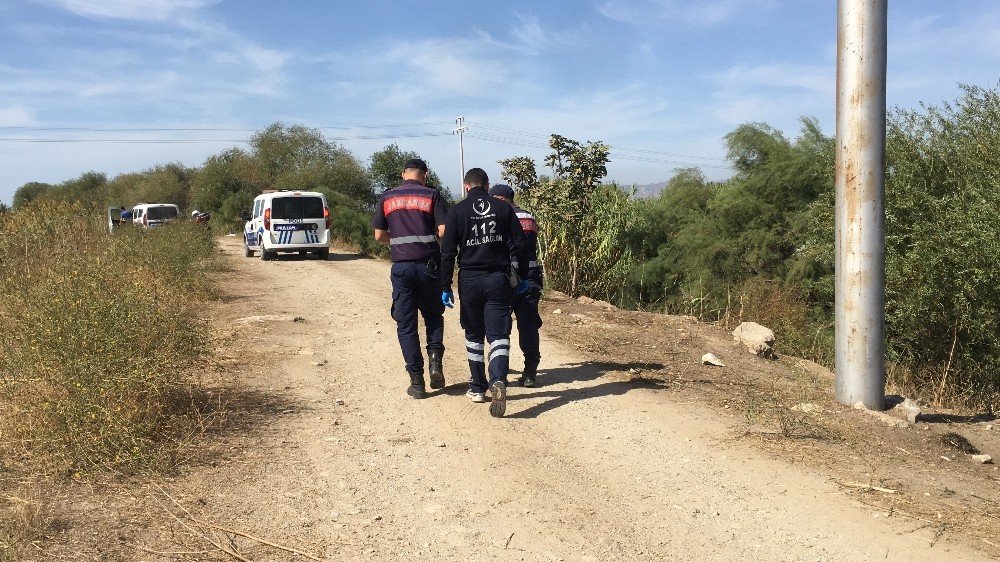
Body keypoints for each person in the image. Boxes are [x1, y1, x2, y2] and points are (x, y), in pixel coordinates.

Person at [440, 168, 530, 418]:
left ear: (466, 187)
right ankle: (498, 380)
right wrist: (521, 276)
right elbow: (520, 245)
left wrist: (445, 287)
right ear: (487, 186)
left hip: (470, 280)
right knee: (499, 334)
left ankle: (478, 387)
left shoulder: (457, 212)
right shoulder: (503, 209)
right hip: (498, 280)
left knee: (474, 333)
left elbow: (447, 253)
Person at [372, 158, 448, 399]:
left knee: (406, 324)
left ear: (403, 174)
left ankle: (417, 382)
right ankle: (435, 361)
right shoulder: (431, 195)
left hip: (402, 268)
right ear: (424, 175)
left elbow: (378, 235)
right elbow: (443, 231)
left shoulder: (387, 197)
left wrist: (398, 242)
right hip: (429, 266)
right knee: (433, 315)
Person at [488, 184, 543, 387]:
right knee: (528, 326)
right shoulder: (529, 218)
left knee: (500, 326)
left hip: (505, 278)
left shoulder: (498, 217)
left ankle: (500, 369)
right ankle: (530, 371)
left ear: (500, 199)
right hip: (530, 277)